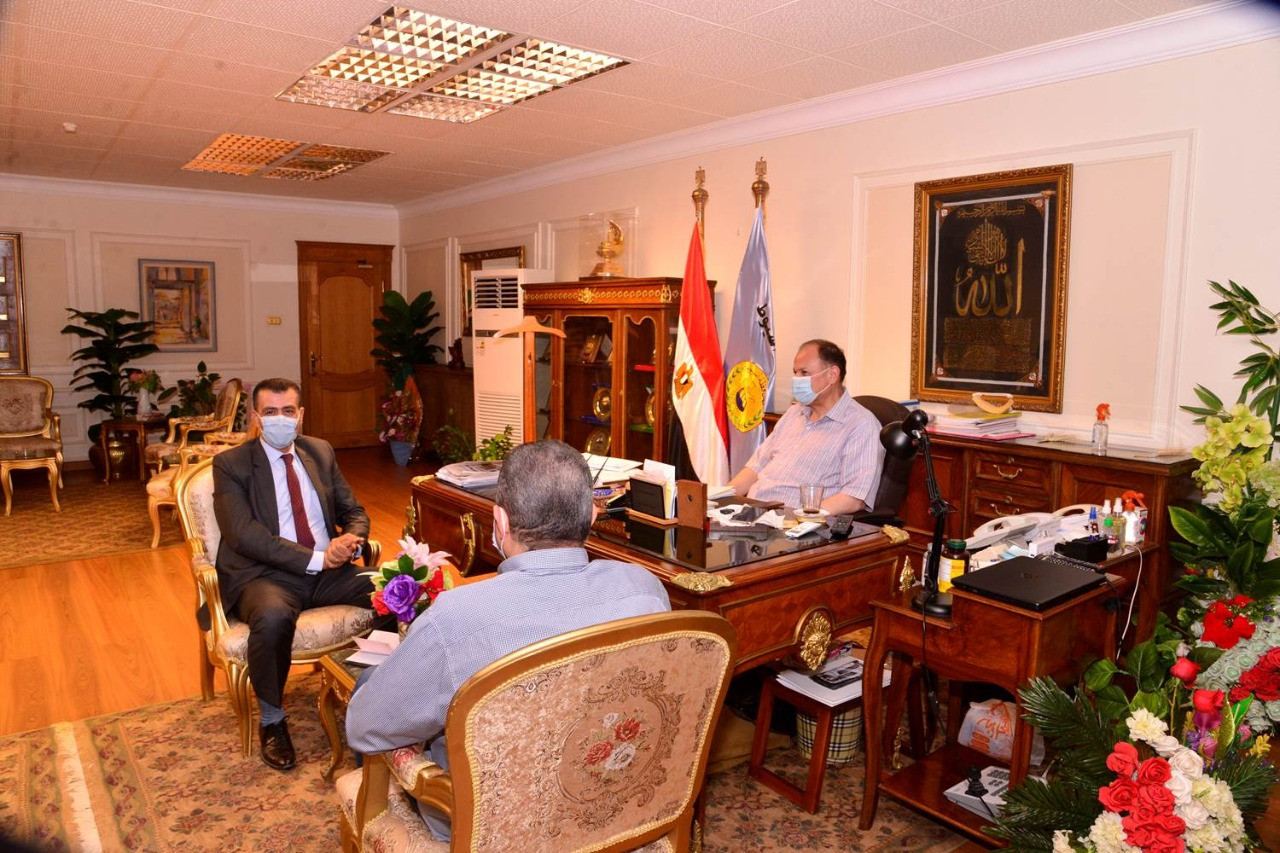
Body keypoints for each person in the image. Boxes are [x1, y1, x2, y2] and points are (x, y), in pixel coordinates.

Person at [346, 439, 670, 840]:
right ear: (591, 515)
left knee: (371, 687)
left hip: (489, 827)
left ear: (500, 520)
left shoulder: (458, 617)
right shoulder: (644, 588)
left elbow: (365, 730)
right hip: (615, 805)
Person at [212, 377, 372, 771]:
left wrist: (351, 539)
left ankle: (371, 689)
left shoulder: (319, 451)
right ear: (255, 417)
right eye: (270, 412)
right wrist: (317, 558)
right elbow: (244, 535)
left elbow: (353, 510)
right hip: (266, 575)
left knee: (401, 592)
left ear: (300, 415)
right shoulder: (231, 465)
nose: (279, 419)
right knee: (271, 618)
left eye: (287, 411)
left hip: (328, 568)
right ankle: (272, 719)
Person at [727, 339, 883, 514]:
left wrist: (800, 518)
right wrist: (719, 497)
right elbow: (756, 467)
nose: (796, 379)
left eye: (804, 372)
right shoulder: (794, 413)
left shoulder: (861, 425)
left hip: (794, 522)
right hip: (751, 512)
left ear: (832, 375)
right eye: (795, 372)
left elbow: (854, 498)